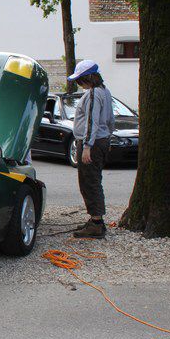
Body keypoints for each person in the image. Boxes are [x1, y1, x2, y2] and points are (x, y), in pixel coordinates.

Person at [69, 60, 115, 239]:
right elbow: (110, 119)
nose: (79, 84)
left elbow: (91, 121)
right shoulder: (105, 91)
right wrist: (108, 138)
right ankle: (96, 219)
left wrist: (87, 146)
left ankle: (96, 223)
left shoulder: (94, 94)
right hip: (101, 140)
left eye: (79, 80)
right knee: (94, 179)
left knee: (89, 181)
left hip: (92, 143)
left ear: (87, 78)